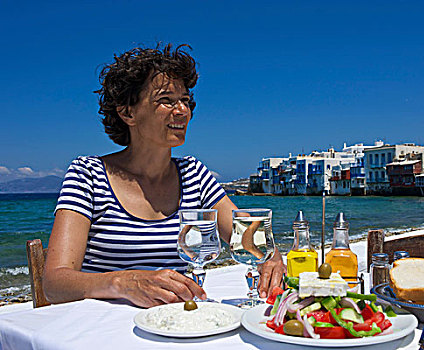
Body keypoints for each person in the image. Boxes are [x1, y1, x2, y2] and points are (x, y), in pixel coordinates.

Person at [43, 44, 286, 308]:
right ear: (128, 112)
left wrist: (270, 255)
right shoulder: (88, 175)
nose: (183, 111)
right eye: (166, 101)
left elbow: (248, 237)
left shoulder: (193, 174)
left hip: (174, 324)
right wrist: (125, 282)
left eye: (186, 101)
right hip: (102, 329)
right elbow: (55, 284)